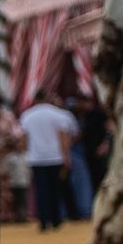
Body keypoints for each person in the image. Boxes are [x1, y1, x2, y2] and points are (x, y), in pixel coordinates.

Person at [18, 89, 77, 232]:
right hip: (55, 157)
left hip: (36, 158)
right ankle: (56, 219)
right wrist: (66, 157)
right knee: (55, 190)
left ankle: (44, 220)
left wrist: (27, 152)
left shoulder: (27, 115)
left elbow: (24, 140)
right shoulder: (58, 115)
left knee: (41, 190)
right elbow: (63, 138)